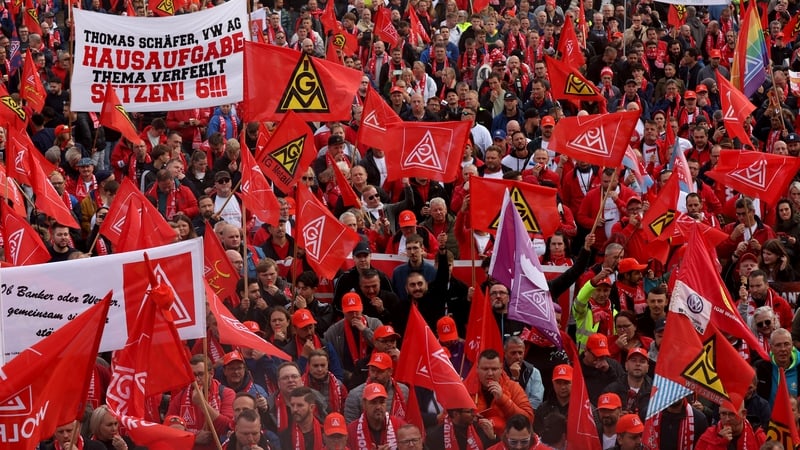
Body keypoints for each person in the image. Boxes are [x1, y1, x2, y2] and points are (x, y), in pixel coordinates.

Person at [167, 355, 235, 449]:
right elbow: (169, 431)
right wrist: (194, 439)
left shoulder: (226, 393)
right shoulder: (180, 397)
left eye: (201, 374)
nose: (196, 379)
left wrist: (202, 404)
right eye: (193, 375)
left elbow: (227, 427)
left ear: (211, 373)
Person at [465, 349, 534, 437]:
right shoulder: (465, 388)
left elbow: (528, 420)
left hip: (506, 441)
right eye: (485, 369)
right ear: (477, 369)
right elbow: (448, 419)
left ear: (501, 369)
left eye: (494, 369)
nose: (490, 373)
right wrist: (469, 418)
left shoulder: (513, 387)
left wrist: (503, 399)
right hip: (472, 440)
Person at [346, 383, 407, 449]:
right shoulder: (351, 431)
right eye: (373, 402)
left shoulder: (399, 426)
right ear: (364, 404)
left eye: (382, 402)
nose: (378, 407)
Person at [695, 394, 766, 450]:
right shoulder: (709, 435)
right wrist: (719, 444)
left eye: (732, 414)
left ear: (744, 414)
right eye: (723, 414)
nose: (727, 419)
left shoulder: (758, 437)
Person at [603, 348, 653, 420]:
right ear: (626, 365)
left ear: (647, 368)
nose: (638, 364)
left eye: (642, 361)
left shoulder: (654, 393)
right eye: (633, 360)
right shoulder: (611, 390)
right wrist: (615, 418)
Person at [426, 405, 499, 448]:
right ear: (456, 414)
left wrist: (492, 438)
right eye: (469, 412)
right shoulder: (435, 436)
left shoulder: (480, 428)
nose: (474, 414)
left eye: (473, 411)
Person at [503, 336, 544, 409]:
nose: (517, 357)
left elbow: (536, 401)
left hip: (526, 416)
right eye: (513, 353)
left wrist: (520, 411)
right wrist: (514, 379)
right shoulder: (498, 371)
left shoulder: (534, 372)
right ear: (505, 353)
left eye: (520, 353)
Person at [533, 364, 572, 436]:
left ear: (573, 382)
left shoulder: (583, 408)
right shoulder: (542, 409)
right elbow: (537, 435)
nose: (563, 387)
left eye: (566, 383)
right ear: (553, 383)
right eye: (558, 383)